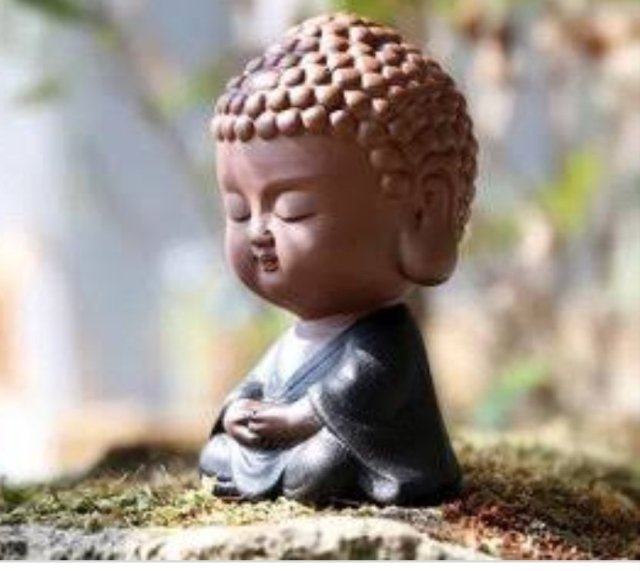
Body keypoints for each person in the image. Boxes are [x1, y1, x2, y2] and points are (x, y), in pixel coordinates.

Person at [199, 11, 478, 506]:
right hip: (286, 441)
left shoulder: (386, 338)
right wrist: (240, 410)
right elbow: (261, 383)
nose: (258, 232)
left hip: (364, 451)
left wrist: (293, 420)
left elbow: (355, 395)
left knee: (323, 461)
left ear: (422, 213)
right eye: (239, 211)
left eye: (293, 209)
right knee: (218, 454)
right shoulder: (292, 340)